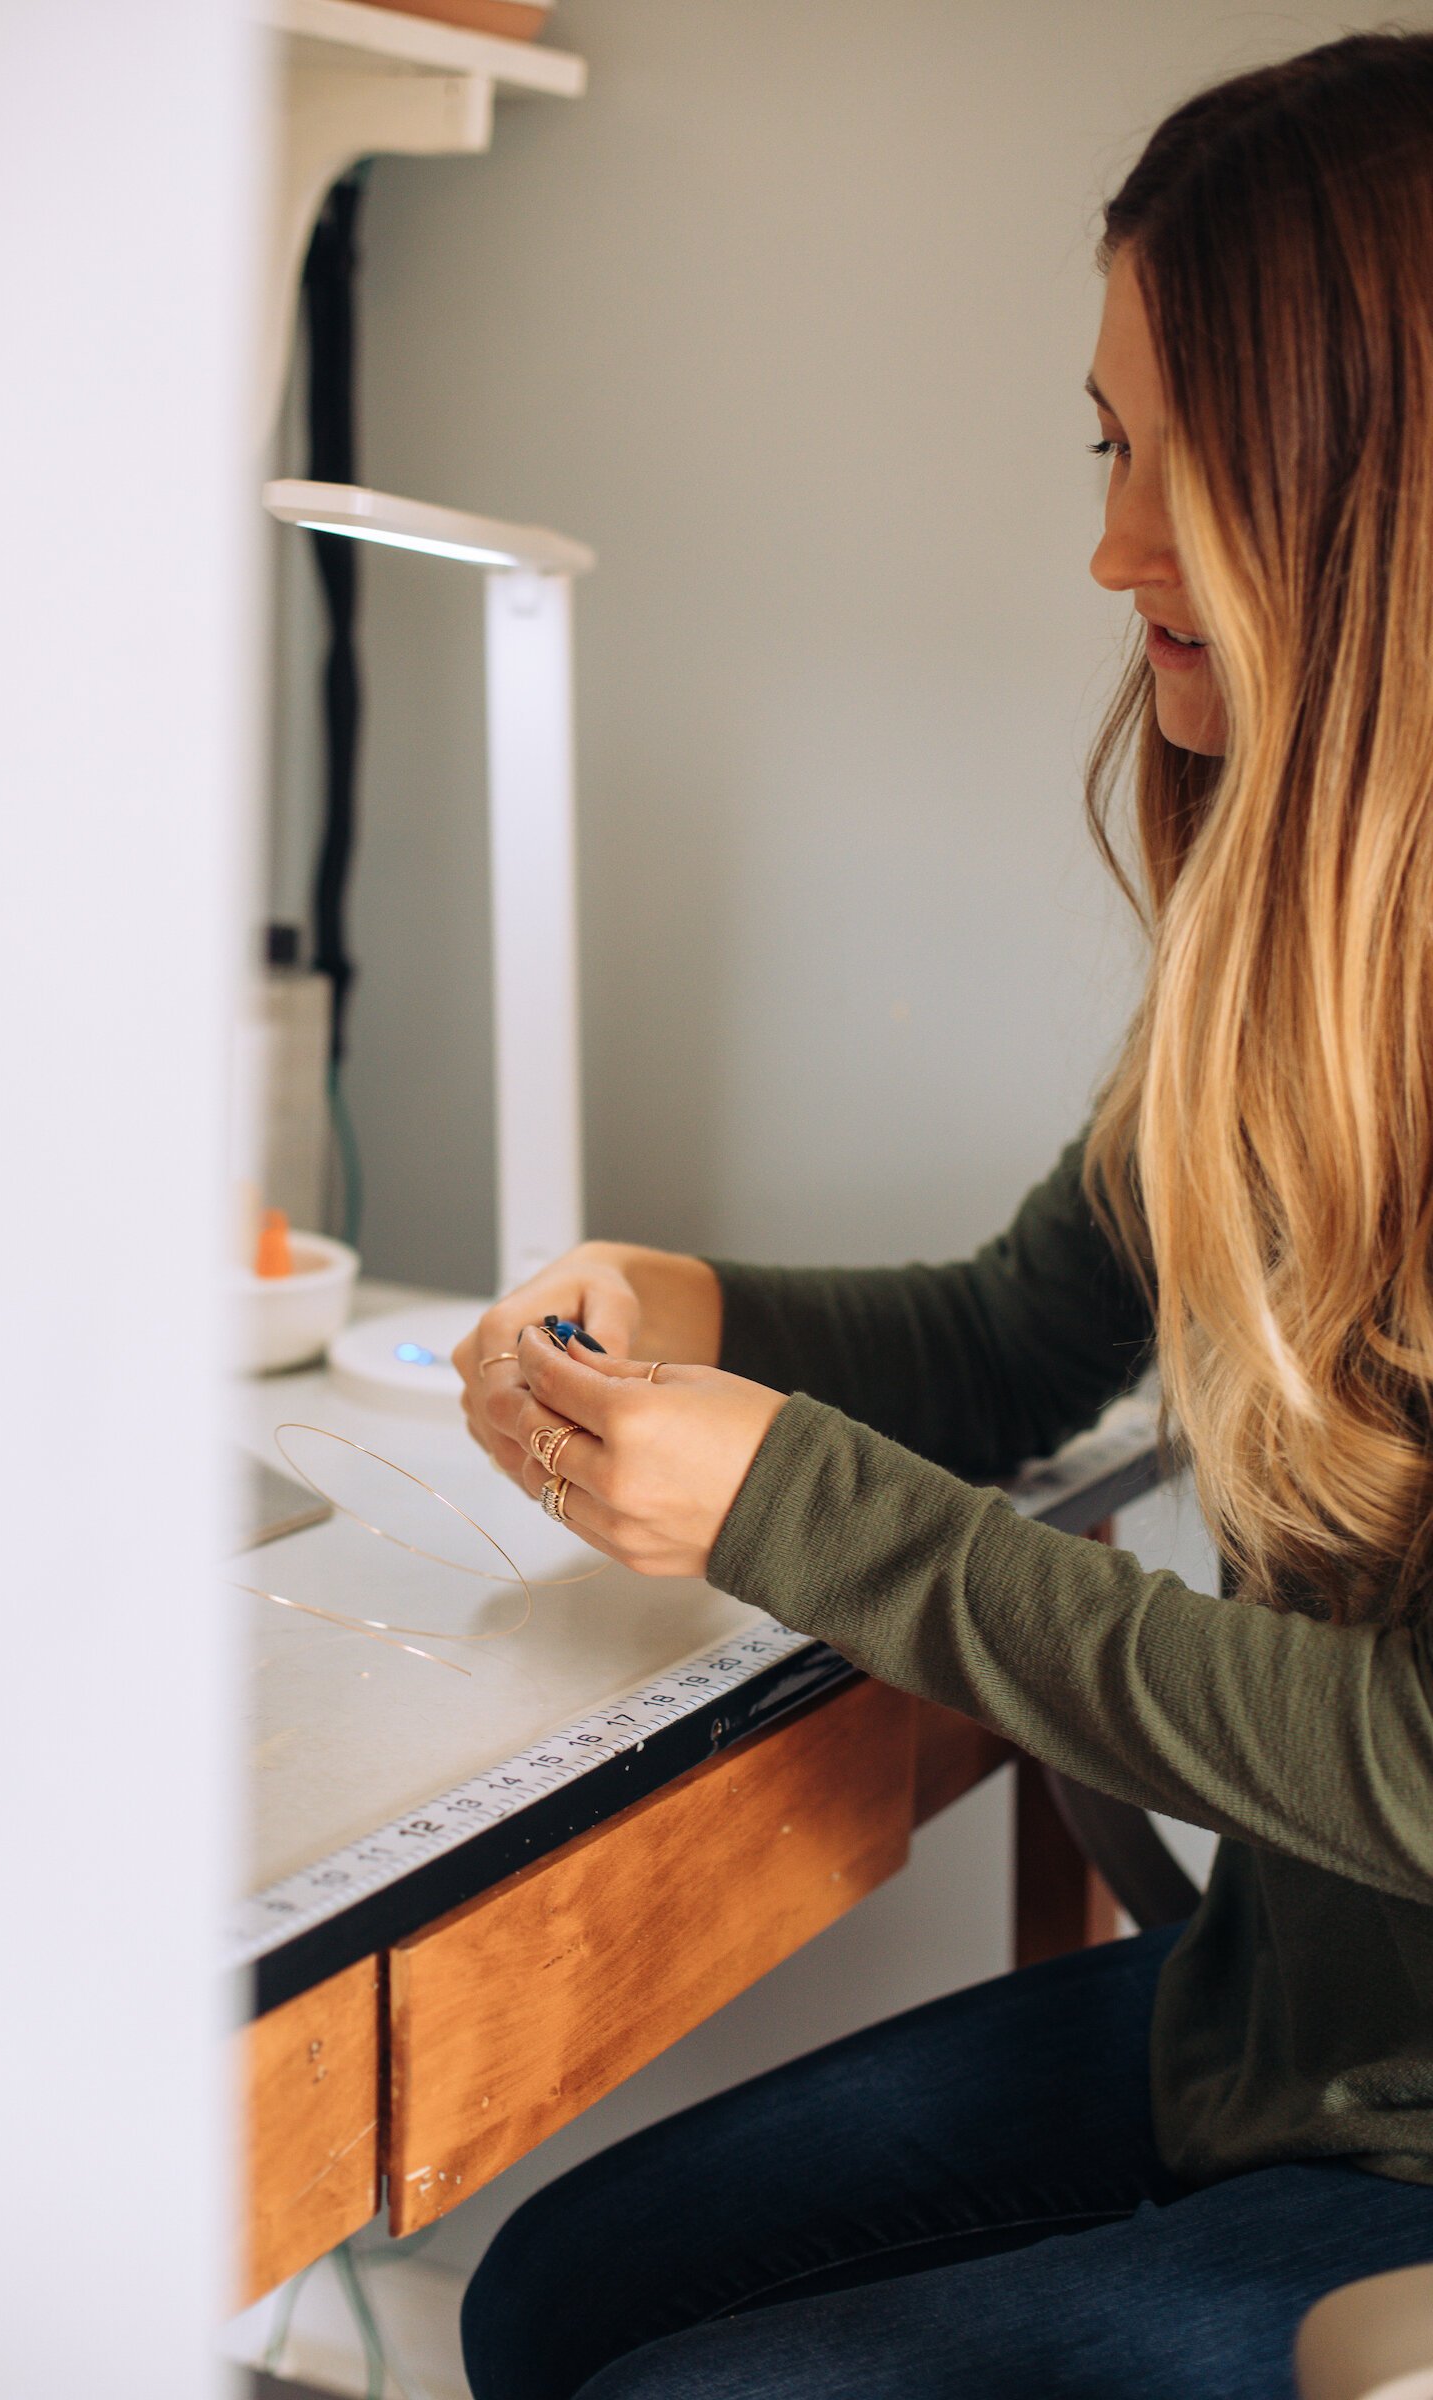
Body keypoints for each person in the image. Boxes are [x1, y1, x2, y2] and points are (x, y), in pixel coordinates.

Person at [450, 33, 1433, 2397]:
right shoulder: (1289, 945)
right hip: (1263, 2044)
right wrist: (680, 1308)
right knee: (544, 2304)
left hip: (1397, 2169)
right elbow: (1016, 1331)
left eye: (1181, 470)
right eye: (1109, 448)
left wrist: (791, 1503)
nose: (1109, 547)